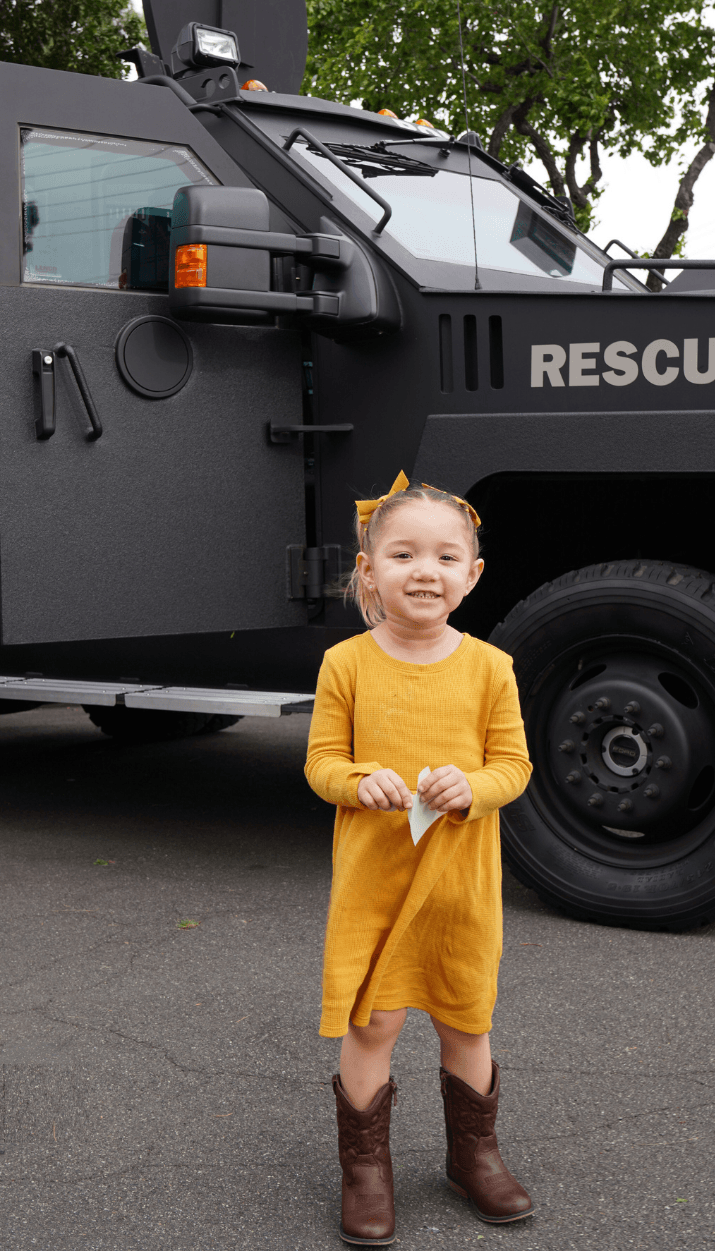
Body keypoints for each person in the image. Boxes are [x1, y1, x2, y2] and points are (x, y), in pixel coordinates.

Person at [305, 470, 535, 1246]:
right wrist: (358, 779)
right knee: (375, 1022)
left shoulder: (490, 668)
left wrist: (470, 787)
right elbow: (320, 765)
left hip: (460, 884)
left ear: (470, 576)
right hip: (375, 879)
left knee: (467, 1018)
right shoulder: (346, 664)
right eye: (402, 555)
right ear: (369, 571)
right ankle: (365, 1170)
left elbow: (515, 769)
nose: (424, 571)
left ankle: (476, 1156)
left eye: (443, 557)